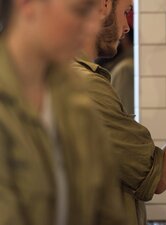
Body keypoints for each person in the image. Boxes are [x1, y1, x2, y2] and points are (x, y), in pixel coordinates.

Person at [72, 0, 166, 224]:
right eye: (126, 12)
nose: (127, 26)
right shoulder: (86, 86)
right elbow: (159, 178)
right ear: (104, 5)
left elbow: (122, 168)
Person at [0, 0, 127, 225]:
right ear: (27, 4)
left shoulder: (77, 98)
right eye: (78, 11)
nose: (92, 27)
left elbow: (107, 210)